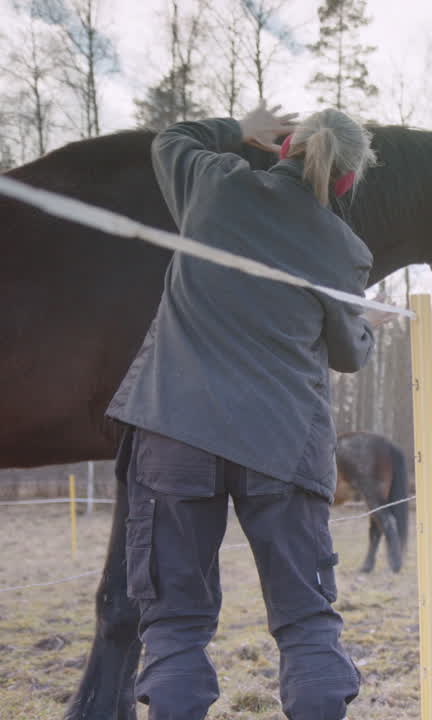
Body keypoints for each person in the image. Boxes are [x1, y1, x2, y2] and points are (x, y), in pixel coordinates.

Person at [106, 104, 385, 720]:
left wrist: (239, 128)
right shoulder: (343, 249)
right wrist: (366, 327)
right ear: (346, 181)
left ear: (285, 149)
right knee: (307, 622)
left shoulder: (214, 185)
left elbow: (172, 138)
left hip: (174, 434)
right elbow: (348, 353)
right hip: (282, 447)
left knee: (175, 626)